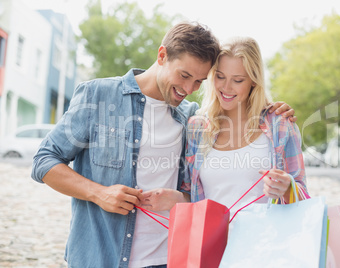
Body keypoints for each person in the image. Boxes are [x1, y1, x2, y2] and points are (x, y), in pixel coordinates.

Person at [31, 22, 295, 268]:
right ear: (161, 56)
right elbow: (44, 161)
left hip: (167, 258)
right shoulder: (98, 96)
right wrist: (97, 193)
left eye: (199, 81)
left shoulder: (190, 118)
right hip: (101, 257)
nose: (188, 88)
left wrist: (270, 110)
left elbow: (197, 190)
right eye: (184, 75)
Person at [182, 36, 310, 214]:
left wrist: (288, 189)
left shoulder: (279, 125)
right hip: (214, 241)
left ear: (253, 81)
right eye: (220, 77)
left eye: (238, 80)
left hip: (266, 239)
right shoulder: (197, 128)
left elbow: (303, 195)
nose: (226, 87)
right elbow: (188, 193)